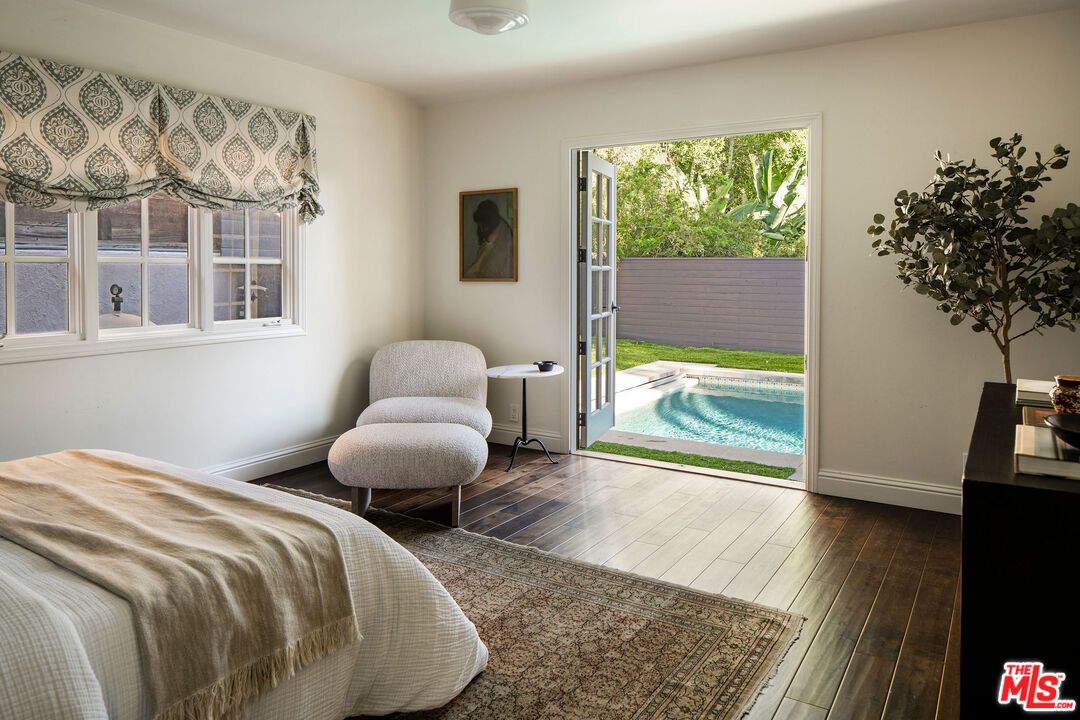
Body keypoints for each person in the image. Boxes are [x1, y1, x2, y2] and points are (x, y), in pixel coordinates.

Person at [464, 198, 514, 279]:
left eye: (482, 225)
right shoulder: (495, 230)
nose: (481, 229)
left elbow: (489, 270)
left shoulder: (501, 236)